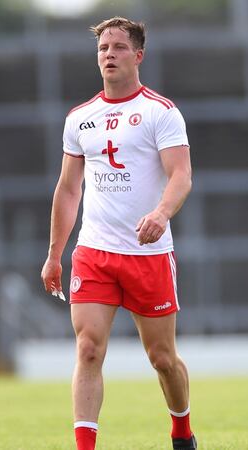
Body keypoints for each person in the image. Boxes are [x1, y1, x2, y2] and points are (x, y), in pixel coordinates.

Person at [41, 17, 196, 450]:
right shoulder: (80, 118)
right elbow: (69, 189)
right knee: (89, 348)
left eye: (118, 47)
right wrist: (55, 253)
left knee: (162, 359)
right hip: (94, 252)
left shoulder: (160, 112)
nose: (108, 54)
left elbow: (181, 175)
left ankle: (182, 430)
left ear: (138, 55)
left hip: (148, 254)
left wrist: (162, 213)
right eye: (103, 48)